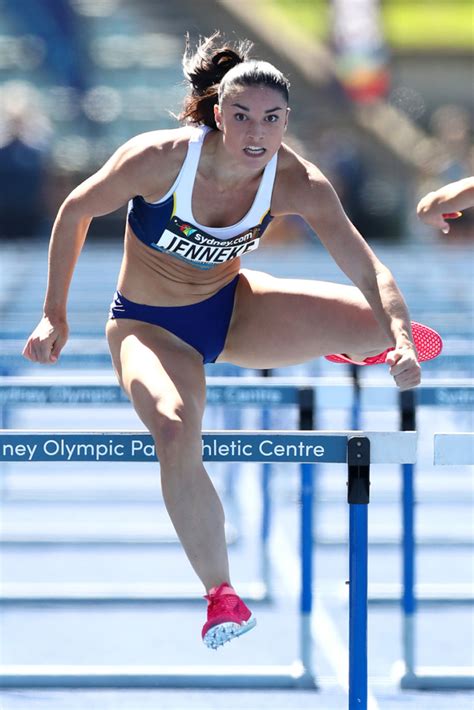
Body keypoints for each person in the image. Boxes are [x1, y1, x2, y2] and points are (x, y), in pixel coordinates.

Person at [22, 32, 441, 650]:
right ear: (217, 113)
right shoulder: (161, 157)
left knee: (378, 319)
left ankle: (359, 345)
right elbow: (76, 212)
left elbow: (370, 268)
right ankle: (220, 593)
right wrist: (54, 314)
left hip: (234, 311)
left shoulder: (298, 180)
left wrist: (403, 340)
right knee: (172, 428)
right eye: (241, 116)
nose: (255, 133)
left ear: (286, 124)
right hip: (149, 327)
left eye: (271, 121)